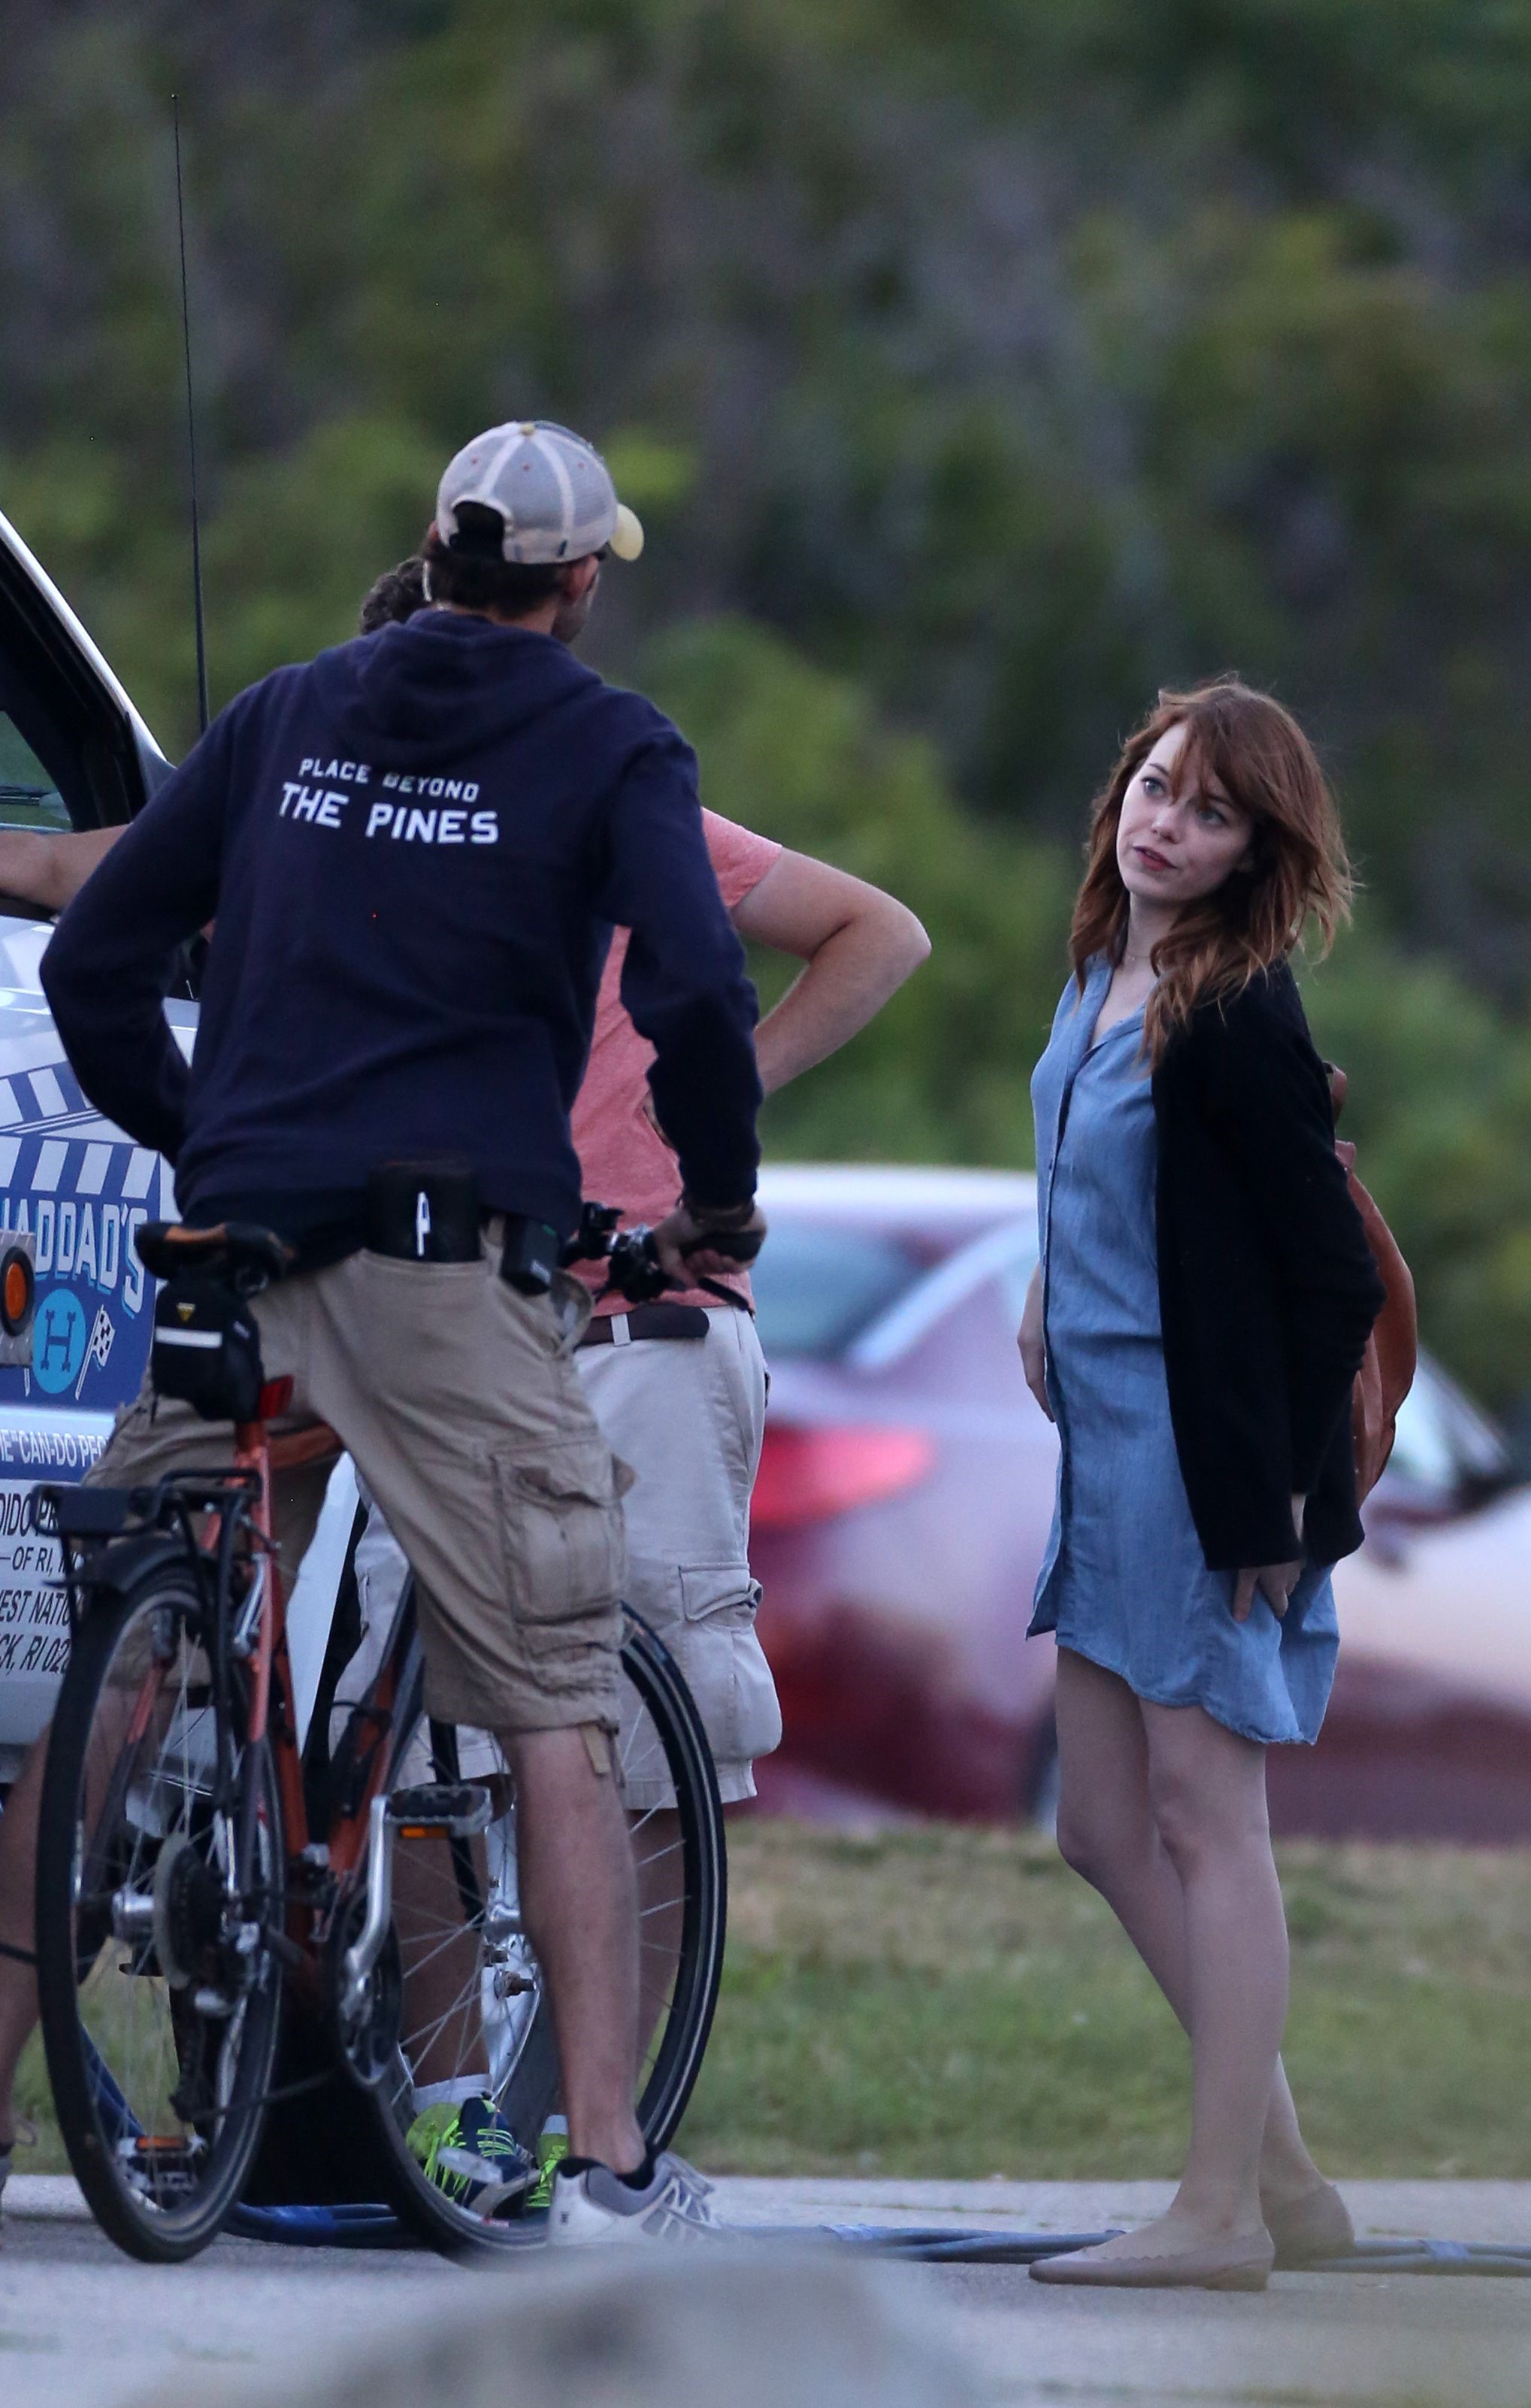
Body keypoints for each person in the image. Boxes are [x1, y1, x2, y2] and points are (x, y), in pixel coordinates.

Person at [0, 418, 767, 2244]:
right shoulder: (609, 744)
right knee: (557, 1700)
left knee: (125, 1667)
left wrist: (206, 1131)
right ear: (578, 584)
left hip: (236, 1252)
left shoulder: (280, 716)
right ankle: (604, 2167)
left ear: (433, 547)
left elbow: (98, 957)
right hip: (447, 1282)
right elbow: (699, 994)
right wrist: (712, 1204)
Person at [343, 552, 928, 2197]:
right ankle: (455, 2122)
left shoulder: (623, 809)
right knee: (418, 1733)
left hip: (641, 1321)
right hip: (452, 1319)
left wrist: (713, 1099)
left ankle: (595, 2129)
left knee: (648, 1721)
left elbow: (878, 935)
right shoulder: (371, 845)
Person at [1015, 679, 1384, 2291]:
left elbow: (1329, 1280)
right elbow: (1099, 1179)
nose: (1166, 821)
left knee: (1205, 1822)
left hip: (1195, 1456)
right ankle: (1287, 2175)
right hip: (1098, 1439)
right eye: (1156, 787)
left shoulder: (1236, 1012)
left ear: (1255, 852)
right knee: (1101, 1825)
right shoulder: (1105, 972)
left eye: (1211, 810)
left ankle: (1219, 2211)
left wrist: (1283, 1517)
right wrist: (1046, 1291)